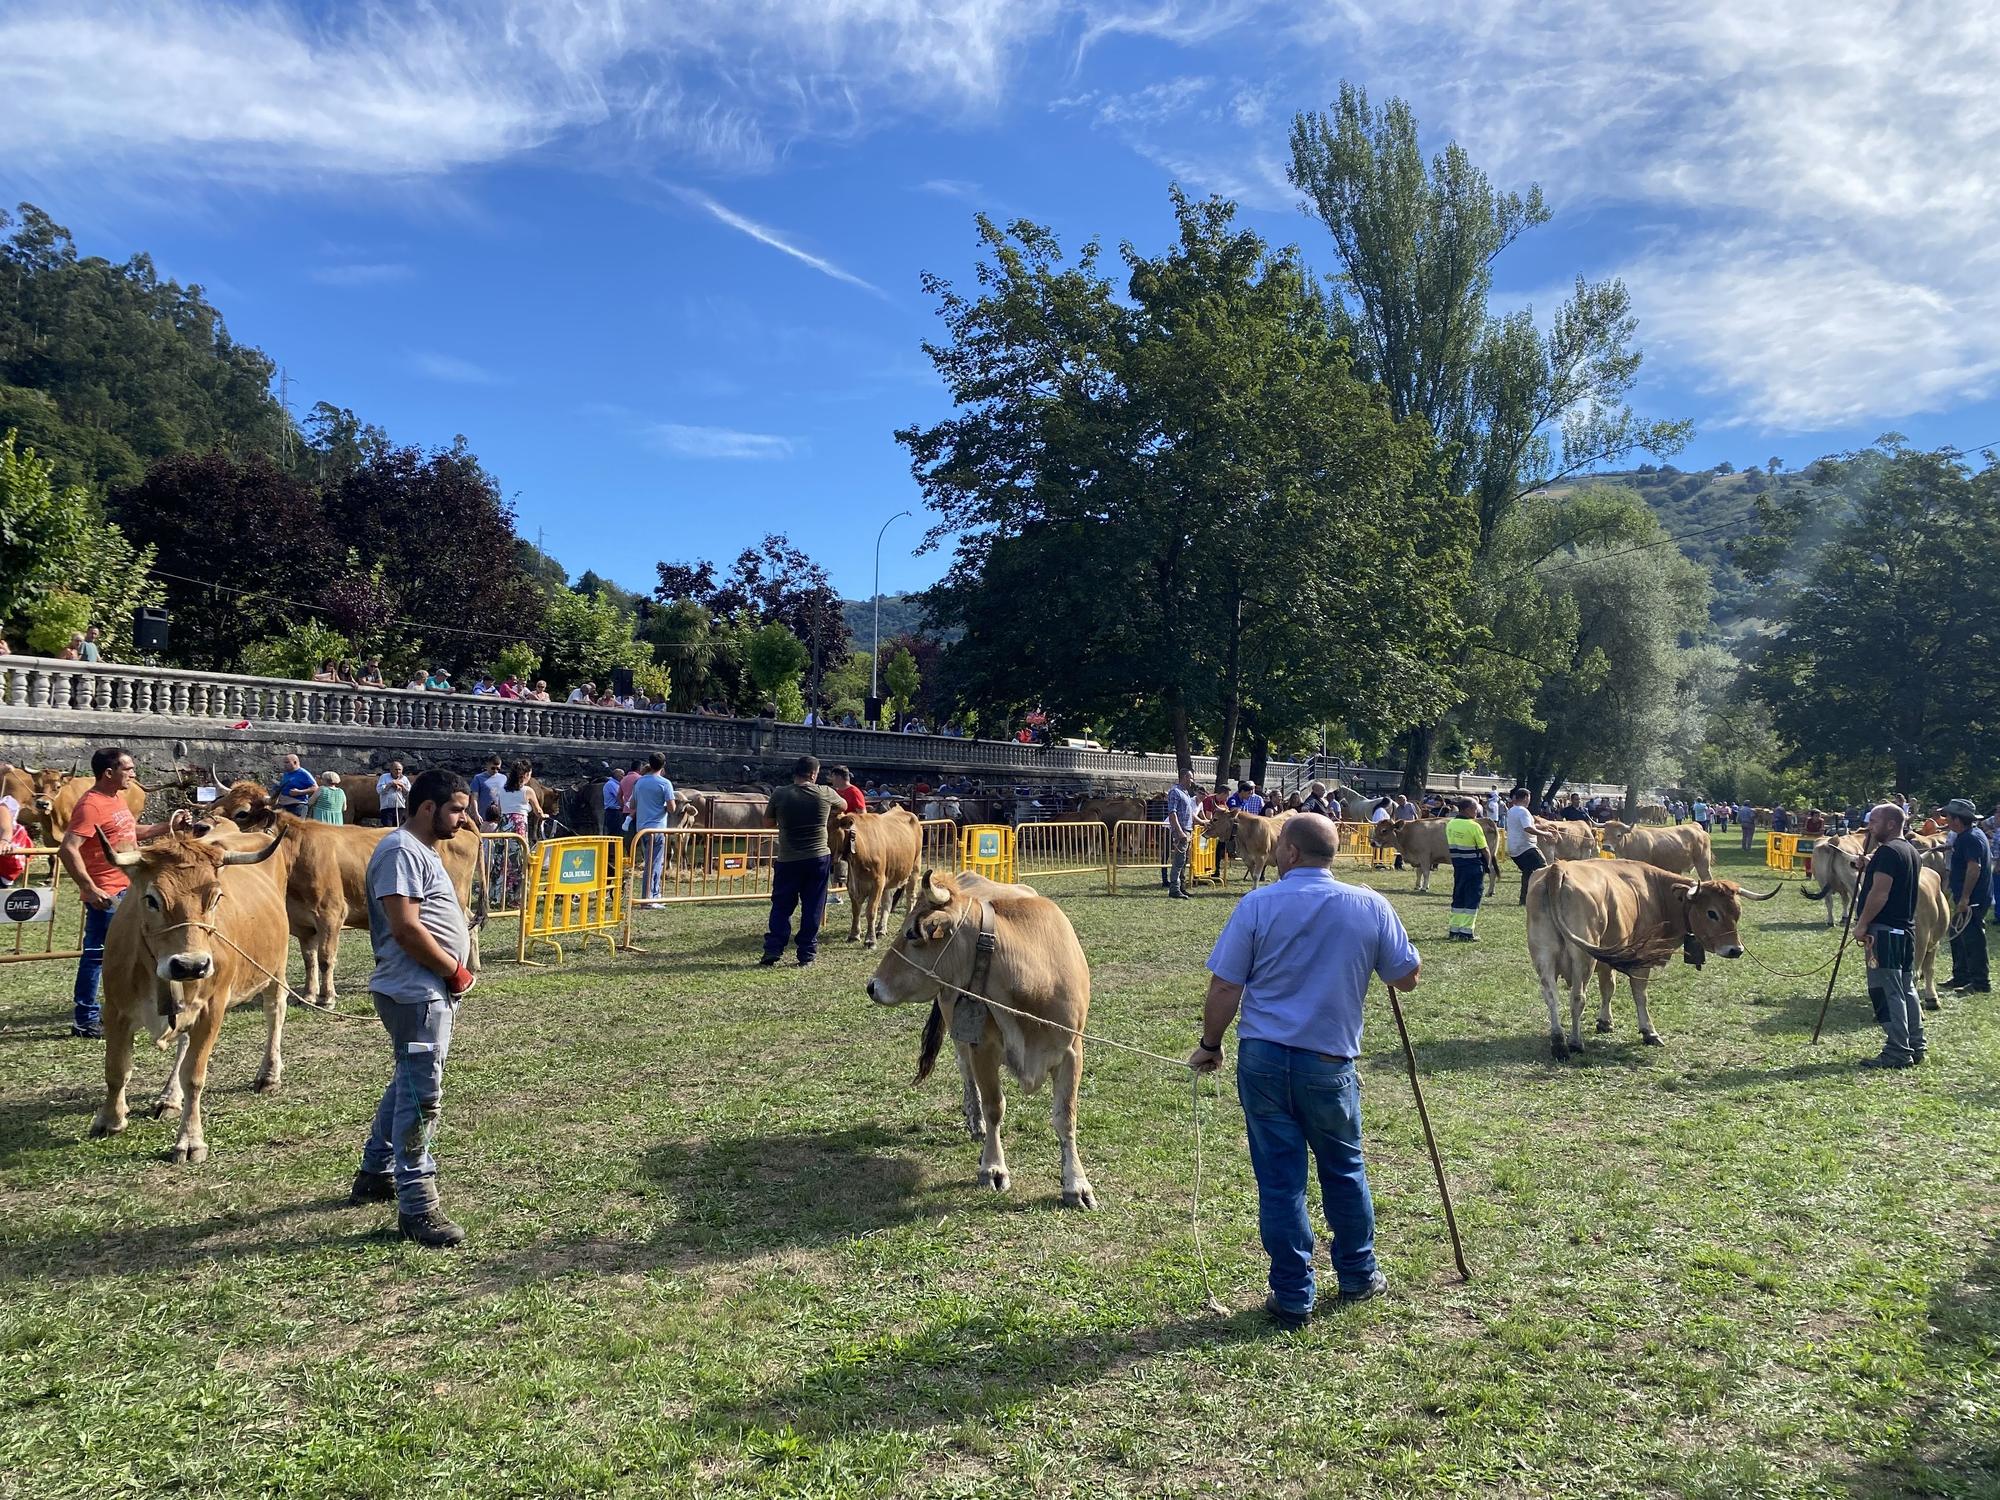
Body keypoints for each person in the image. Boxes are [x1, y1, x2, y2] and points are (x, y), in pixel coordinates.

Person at [1188, 814, 1420, 1325]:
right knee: (1344, 1169)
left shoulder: (1257, 904)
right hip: (1329, 1063)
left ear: (1290, 852)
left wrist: (1210, 1044)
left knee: (1280, 1179)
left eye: (1277, 848)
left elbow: (1227, 986)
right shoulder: (1370, 904)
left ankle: (1293, 1294)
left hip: (1265, 1060)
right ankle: (1358, 1275)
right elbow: (1406, 977)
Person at [350, 768, 477, 1247]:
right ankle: (418, 1206)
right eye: (457, 810)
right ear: (428, 808)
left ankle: (375, 1171)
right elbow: (405, 927)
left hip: (423, 988)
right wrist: (452, 969)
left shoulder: (417, 850)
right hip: (415, 988)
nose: (464, 821)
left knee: (407, 1080)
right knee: (422, 1096)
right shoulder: (402, 849)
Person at [57, 747, 186, 1039]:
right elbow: (68, 848)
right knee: (98, 954)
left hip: (131, 888)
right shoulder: (90, 805)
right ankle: (85, 1018)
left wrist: (168, 826)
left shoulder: (115, 800)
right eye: (128, 769)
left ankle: (162, 1003)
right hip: (108, 895)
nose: (133, 774)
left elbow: (128, 832)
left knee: (153, 944)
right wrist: (89, 888)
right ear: (109, 773)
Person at [1852, 803, 1925, 1068]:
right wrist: (1871, 864)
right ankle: (1916, 1045)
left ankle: (1897, 1051)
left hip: (1883, 932)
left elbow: (1879, 893)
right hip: (1905, 930)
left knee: (1887, 990)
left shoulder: (1887, 852)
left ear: (1891, 824)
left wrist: (1862, 923)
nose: (1870, 826)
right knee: (1907, 989)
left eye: (1874, 821)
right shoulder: (1909, 851)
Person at [761, 756, 841, 968]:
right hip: (817, 857)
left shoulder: (779, 793)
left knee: (781, 906)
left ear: (795, 772)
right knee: (813, 906)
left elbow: (768, 822)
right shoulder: (825, 792)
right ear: (814, 774)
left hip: (788, 858)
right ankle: (806, 953)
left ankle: (773, 949)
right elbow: (845, 804)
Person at [1942, 798, 1991, 994]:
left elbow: (1974, 868)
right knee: (1957, 934)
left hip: (1972, 899)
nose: (1945, 819)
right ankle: (1961, 975)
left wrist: (1965, 898)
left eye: (1948, 816)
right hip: (1970, 897)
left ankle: (1980, 982)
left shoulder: (1968, 838)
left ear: (1957, 819)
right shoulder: (1971, 835)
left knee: (1973, 938)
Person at [630, 753, 679, 899]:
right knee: (655, 863)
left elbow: (632, 804)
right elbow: (672, 808)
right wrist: (662, 805)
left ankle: (652, 894)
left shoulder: (639, 782)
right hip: (657, 827)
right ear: (663, 765)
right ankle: (650, 896)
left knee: (650, 862)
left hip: (642, 827)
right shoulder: (664, 783)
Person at [1445, 797, 1492, 941]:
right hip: (1473, 866)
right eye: (1474, 808)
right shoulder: (1474, 826)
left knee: (1458, 896)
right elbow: (1484, 849)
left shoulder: (1450, 824)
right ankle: (1466, 932)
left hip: (1458, 866)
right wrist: (1488, 865)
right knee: (1472, 898)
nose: (1477, 811)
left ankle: (1454, 930)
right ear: (1466, 810)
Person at [1504, 786, 1546, 906]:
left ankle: (1524, 900)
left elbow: (1523, 826)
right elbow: (1527, 828)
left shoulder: (1512, 810)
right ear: (1526, 797)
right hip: (1526, 847)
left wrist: (1542, 827)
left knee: (1528, 872)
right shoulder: (1523, 811)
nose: (1529, 801)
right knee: (1543, 869)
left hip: (1514, 848)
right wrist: (1545, 833)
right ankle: (1541, 898)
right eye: (1529, 798)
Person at [1165, 767, 1199, 899]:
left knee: (1184, 861)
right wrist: (1179, 832)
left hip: (1188, 830)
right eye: (1191, 778)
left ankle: (1181, 888)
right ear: (1184, 777)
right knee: (1179, 861)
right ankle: (1174, 889)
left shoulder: (1186, 793)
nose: (1192, 781)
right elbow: (1172, 812)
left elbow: (1190, 813)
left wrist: (1203, 822)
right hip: (1182, 831)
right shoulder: (1175, 792)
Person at [273, 753, 317, 820]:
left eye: (287, 762)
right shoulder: (287, 773)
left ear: (295, 762)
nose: (284, 765)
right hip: (284, 805)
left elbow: (315, 788)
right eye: (284, 762)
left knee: (296, 828)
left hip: (297, 806)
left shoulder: (304, 773)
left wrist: (299, 792)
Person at [471, 755, 506, 827]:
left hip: (499, 817)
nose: (495, 771)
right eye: (493, 768)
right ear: (487, 765)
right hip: (483, 817)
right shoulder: (478, 778)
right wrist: (476, 813)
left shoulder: (504, 778)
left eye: (498, 769)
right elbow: (474, 797)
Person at [377, 762, 411, 828]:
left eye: (399, 769)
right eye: (396, 769)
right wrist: (391, 784)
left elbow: (408, 792)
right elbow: (379, 790)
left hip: (400, 808)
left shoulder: (404, 779)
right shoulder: (384, 777)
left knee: (399, 829)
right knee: (387, 829)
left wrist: (402, 786)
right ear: (391, 770)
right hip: (387, 808)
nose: (398, 771)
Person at [600, 771, 623, 837]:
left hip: (615, 811)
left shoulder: (616, 784)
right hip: (613, 812)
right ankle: (612, 847)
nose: (623, 777)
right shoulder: (611, 784)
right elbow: (619, 796)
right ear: (618, 776)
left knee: (617, 832)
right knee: (615, 833)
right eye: (622, 775)